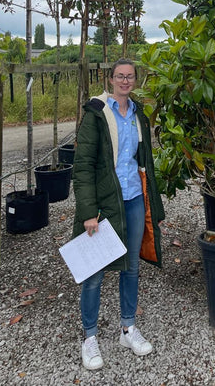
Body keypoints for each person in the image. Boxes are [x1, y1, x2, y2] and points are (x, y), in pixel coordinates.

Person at [72, 58, 164, 371]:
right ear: (110, 79)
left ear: (135, 80)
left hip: (134, 200)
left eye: (130, 76)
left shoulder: (139, 115)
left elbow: (143, 160)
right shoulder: (97, 114)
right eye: (119, 76)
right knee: (95, 272)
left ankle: (128, 328)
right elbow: (82, 166)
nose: (125, 81)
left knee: (132, 267)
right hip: (104, 204)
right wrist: (88, 212)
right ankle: (89, 336)